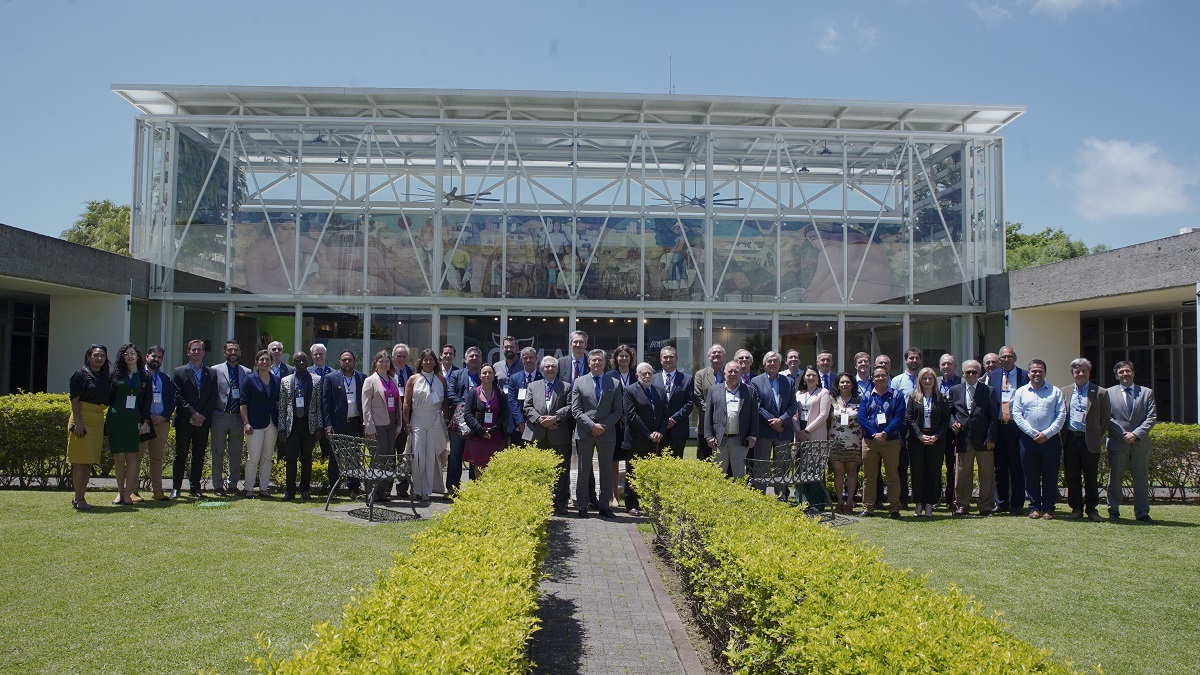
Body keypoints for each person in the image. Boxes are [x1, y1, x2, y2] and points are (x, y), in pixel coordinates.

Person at [1011, 359, 1066, 520]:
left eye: (1040, 371)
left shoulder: (1055, 391)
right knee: (1031, 475)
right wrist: (1033, 433)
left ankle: (1049, 508)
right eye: (1034, 371)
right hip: (1028, 440)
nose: (1037, 373)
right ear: (1028, 373)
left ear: (1045, 373)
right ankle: (1034, 507)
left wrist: (1047, 433)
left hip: (1051, 440)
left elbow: (1061, 415)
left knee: (1050, 475)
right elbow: (1017, 414)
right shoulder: (1021, 392)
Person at [571, 349, 621, 518]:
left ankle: (604, 505)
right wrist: (592, 425)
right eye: (593, 360)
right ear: (589, 362)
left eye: (600, 360)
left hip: (606, 433)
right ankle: (583, 505)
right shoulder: (579, 382)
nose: (597, 363)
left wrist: (603, 426)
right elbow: (576, 410)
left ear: (605, 362)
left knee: (606, 470)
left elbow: (618, 410)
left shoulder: (614, 383)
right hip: (585, 432)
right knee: (584, 470)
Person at [1106, 360, 1157, 524]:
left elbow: (1151, 417)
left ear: (1133, 373)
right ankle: (1113, 510)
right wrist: (1122, 434)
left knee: (1141, 479)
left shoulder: (1146, 393)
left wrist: (1135, 434)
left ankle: (1142, 512)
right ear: (1116, 375)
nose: (1125, 374)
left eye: (1127, 371)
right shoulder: (1108, 393)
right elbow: (1107, 418)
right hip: (1117, 442)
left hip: (1139, 443)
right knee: (1114, 479)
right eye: (1121, 372)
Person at [1062, 358, 1111, 521]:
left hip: (1089, 440)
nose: (1080, 374)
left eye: (1084, 371)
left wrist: (1094, 433)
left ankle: (1092, 509)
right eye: (1077, 371)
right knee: (1072, 475)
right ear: (1072, 374)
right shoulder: (1065, 392)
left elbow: (1105, 419)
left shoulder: (1101, 392)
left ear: (1089, 373)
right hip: (1070, 439)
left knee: (1091, 476)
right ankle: (1076, 508)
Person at [948, 360, 997, 517]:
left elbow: (993, 417)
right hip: (963, 438)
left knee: (987, 474)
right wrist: (952, 423)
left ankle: (985, 506)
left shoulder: (988, 391)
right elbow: (949, 412)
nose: (970, 375)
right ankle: (962, 504)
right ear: (963, 373)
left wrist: (991, 438)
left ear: (979, 373)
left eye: (974, 372)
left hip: (983, 439)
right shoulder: (955, 390)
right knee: (962, 474)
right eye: (967, 372)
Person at [524, 356, 573, 515]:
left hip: (558, 434)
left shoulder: (566, 387)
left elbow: (571, 406)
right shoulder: (532, 386)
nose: (550, 369)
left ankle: (560, 503)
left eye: (553, 366)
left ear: (557, 369)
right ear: (541, 369)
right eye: (547, 367)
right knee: (539, 470)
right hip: (538, 435)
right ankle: (541, 501)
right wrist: (539, 419)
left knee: (561, 471)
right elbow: (527, 406)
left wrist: (555, 417)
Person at [984, 345, 1028, 515]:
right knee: (1000, 467)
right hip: (999, 427)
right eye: (1003, 357)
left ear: (1015, 358)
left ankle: (1017, 503)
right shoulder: (992, 376)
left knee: (1017, 467)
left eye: (1009, 356)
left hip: (1017, 427)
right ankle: (1001, 502)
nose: (1006, 359)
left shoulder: (1024, 375)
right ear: (999, 359)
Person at [858, 365, 906, 519]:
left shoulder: (897, 395)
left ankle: (894, 508)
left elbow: (899, 417)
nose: (880, 378)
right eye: (877, 376)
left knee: (893, 475)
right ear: (872, 379)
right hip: (870, 441)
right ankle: (868, 507)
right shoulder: (866, 395)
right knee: (869, 476)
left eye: (883, 375)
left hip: (890, 440)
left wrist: (885, 433)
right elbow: (862, 418)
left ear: (888, 377)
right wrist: (874, 434)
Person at [106, 343, 151, 506]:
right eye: (126, 354)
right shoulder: (116, 375)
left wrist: (146, 422)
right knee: (119, 458)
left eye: (133, 353)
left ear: (138, 356)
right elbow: (108, 397)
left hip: (135, 420)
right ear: (122, 357)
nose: (130, 356)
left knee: (132, 457)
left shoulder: (145, 377)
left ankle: (128, 494)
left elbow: (147, 402)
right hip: (117, 420)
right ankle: (119, 492)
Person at [66, 344, 110, 510]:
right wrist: (78, 421)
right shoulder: (81, 374)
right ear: (88, 357)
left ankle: (80, 496)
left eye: (102, 356)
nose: (99, 358)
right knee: (80, 461)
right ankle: (79, 499)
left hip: (97, 420)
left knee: (88, 461)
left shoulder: (104, 377)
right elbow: (74, 400)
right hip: (82, 419)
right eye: (96, 355)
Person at [171, 339, 217, 499]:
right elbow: (178, 396)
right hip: (185, 420)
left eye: (199, 349)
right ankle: (176, 488)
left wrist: (202, 415)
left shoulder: (211, 373)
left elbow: (213, 397)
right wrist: (192, 414)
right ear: (188, 352)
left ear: (204, 352)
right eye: (193, 350)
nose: (196, 352)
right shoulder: (179, 372)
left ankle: (195, 487)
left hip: (203, 422)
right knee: (180, 455)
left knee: (199, 455)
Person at [278, 351, 325, 500]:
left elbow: (318, 405)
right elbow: (283, 406)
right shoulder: (285, 381)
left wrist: (319, 426)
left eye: (304, 360)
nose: (301, 363)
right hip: (292, 425)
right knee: (291, 458)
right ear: (294, 362)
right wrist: (282, 428)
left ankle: (305, 489)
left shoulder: (316, 380)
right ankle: (290, 490)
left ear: (308, 361)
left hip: (308, 424)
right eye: (298, 361)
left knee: (307, 458)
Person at [749, 352, 797, 500]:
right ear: (764, 364)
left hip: (783, 431)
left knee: (782, 465)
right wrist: (773, 422)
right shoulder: (756, 381)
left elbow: (793, 405)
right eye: (769, 361)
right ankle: (761, 497)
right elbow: (756, 405)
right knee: (761, 464)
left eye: (775, 361)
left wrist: (781, 420)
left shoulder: (788, 382)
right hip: (764, 430)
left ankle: (781, 497)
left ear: (780, 364)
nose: (772, 363)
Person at [623, 362, 668, 516]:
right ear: (637, 376)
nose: (647, 376)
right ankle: (631, 505)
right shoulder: (630, 391)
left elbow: (664, 415)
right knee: (633, 473)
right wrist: (648, 433)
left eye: (649, 373)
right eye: (643, 373)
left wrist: (660, 432)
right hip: (637, 440)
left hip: (656, 440)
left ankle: (650, 504)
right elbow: (632, 415)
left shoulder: (660, 391)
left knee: (653, 473)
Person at [405, 349, 450, 500]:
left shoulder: (441, 379)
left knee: (431, 455)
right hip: (417, 419)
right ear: (421, 362)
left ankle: (427, 490)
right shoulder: (413, 379)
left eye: (431, 360)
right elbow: (406, 403)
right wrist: (406, 422)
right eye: (425, 360)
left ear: (435, 362)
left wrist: (445, 420)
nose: (428, 362)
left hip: (435, 420)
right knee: (418, 455)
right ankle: (417, 488)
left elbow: (445, 402)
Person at [905, 367, 950, 518]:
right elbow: (909, 419)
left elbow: (945, 420)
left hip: (936, 440)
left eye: (930, 378)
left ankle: (930, 504)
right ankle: (918, 504)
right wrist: (919, 435)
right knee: (917, 473)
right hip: (917, 440)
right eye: (925, 378)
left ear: (934, 381)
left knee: (933, 472)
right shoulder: (913, 397)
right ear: (920, 381)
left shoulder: (942, 398)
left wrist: (936, 436)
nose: (928, 381)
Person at [703, 361, 759, 479]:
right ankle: (719, 497)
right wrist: (709, 436)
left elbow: (754, 416)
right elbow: (708, 414)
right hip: (719, 440)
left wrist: (753, 436)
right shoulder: (714, 390)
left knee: (739, 475)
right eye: (730, 371)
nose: (733, 374)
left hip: (740, 440)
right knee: (718, 475)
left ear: (740, 374)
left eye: (736, 371)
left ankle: (738, 497)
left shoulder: (749, 391)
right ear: (724, 373)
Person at [322, 349, 366, 497]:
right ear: (339, 361)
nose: (347, 362)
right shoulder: (330, 378)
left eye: (350, 360)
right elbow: (326, 403)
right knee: (335, 459)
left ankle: (354, 488)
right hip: (337, 425)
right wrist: (327, 425)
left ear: (354, 361)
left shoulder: (362, 378)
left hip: (355, 423)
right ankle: (333, 488)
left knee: (354, 457)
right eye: (344, 360)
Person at [211, 339, 250, 497]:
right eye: (230, 350)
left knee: (236, 453)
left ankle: (232, 484)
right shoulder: (214, 370)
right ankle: (217, 485)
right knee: (218, 452)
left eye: (236, 350)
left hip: (238, 418)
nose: (233, 353)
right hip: (220, 415)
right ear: (224, 352)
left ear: (240, 352)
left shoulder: (247, 372)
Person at [240, 349, 280, 498]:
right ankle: (249, 488)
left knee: (267, 457)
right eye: (261, 359)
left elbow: (277, 401)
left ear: (271, 362)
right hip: (254, 424)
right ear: (256, 362)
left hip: (272, 423)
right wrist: (246, 423)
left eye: (267, 360)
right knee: (254, 458)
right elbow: (243, 403)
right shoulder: (250, 379)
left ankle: (264, 488)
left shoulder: (276, 380)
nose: (265, 362)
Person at [362, 350, 401, 502]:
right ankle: (372, 492)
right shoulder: (370, 380)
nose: (384, 364)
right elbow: (366, 406)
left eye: (387, 361)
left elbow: (397, 402)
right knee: (377, 458)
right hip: (377, 423)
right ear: (376, 363)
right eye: (381, 361)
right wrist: (369, 427)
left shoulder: (392, 379)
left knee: (388, 458)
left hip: (391, 422)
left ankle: (382, 492)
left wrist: (398, 425)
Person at [139, 345, 174, 501]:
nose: (156, 359)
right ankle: (132, 491)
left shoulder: (165, 378)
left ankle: (157, 491)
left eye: (159, 357)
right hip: (143, 423)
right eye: (154, 356)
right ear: (147, 357)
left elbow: (172, 400)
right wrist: (145, 418)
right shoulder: (138, 376)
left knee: (157, 458)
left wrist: (165, 416)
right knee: (136, 457)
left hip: (161, 423)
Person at [447, 346, 484, 493]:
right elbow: (449, 393)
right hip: (459, 421)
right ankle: (452, 488)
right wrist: (464, 406)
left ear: (481, 360)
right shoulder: (456, 374)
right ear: (465, 359)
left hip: (478, 422)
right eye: (471, 356)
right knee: (456, 455)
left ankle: (473, 489)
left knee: (475, 456)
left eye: (477, 356)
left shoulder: (485, 375)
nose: (474, 358)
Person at [793, 365, 831, 511]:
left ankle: (816, 504)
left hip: (815, 434)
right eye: (807, 375)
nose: (810, 378)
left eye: (813, 375)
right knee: (800, 468)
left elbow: (823, 415)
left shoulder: (823, 393)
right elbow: (793, 415)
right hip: (800, 434)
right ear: (803, 378)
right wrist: (798, 430)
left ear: (818, 378)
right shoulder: (798, 394)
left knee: (815, 469)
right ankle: (801, 502)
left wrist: (807, 430)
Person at [890, 347, 922, 508]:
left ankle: (919, 498)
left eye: (917, 358)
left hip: (922, 427)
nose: (914, 361)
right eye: (911, 358)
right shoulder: (897, 381)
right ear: (906, 360)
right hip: (903, 427)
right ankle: (902, 498)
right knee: (902, 464)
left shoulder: (925, 378)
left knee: (918, 464)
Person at [605, 344, 636, 508]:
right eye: (621, 356)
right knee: (614, 460)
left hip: (633, 425)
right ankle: (614, 496)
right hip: (615, 425)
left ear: (631, 358)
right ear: (615, 358)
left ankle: (632, 495)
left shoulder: (636, 375)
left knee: (632, 461)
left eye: (627, 356)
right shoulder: (609, 376)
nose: (624, 359)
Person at [463, 363, 509, 474]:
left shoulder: (500, 393)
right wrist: (481, 430)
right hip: (478, 437)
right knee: (479, 467)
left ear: (494, 376)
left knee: (496, 468)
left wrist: (493, 429)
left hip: (496, 436)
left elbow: (503, 414)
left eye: (490, 373)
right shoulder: (473, 393)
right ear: (479, 376)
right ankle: (479, 491)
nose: (487, 375)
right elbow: (467, 414)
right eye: (484, 373)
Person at [829, 372, 862, 515]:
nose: (845, 384)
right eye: (842, 382)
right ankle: (840, 501)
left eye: (847, 382)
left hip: (854, 441)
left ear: (852, 384)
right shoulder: (832, 400)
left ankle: (849, 502)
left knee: (852, 472)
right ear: (838, 385)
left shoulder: (859, 400)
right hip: (835, 440)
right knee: (838, 472)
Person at [655, 345, 694, 460]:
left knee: (676, 464)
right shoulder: (653, 379)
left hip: (678, 429)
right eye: (665, 357)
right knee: (658, 464)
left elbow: (689, 403)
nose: (668, 360)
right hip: (658, 429)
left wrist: (674, 419)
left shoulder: (687, 379)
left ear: (676, 359)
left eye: (671, 357)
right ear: (660, 360)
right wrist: (663, 421)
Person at [692, 343, 726, 459]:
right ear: (708, 356)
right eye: (713, 353)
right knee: (705, 459)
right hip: (705, 425)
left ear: (724, 356)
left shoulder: (731, 373)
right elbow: (698, 397)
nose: (716, 354)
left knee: (726, 462)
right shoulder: (700, 374)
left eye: (719, 352)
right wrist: (713, 415)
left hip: (727, 425)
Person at [390, 343, 414, 498]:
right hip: (389, 417)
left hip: (407, 417)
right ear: (393, 357)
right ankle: (386, 487)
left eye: (404, 356)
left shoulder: (413, 372)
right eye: (398, 356)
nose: (401, 359)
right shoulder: (386, 371)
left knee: (405, 454)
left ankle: (402, 487)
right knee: (389, 454)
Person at [936, 354, 960, 507]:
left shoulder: (962, 382)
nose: (946, 367)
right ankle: (935, 496)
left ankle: (951, 498)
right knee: (935, 465)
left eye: (949, 364)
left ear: (955, 366)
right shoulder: (934, 381)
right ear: (940, 367)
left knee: (952, 466)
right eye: (943, 364)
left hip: (954, 431)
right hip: (936, 431)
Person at [506, 346, 542, 444]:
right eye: (525, 358)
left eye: (531, 357)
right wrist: (520, 422)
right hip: (517, 426)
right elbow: (512, 401)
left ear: (536, 358)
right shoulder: (514, 378)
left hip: (538, 425)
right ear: (521, 360)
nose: (528, 360)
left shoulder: (542, 378)